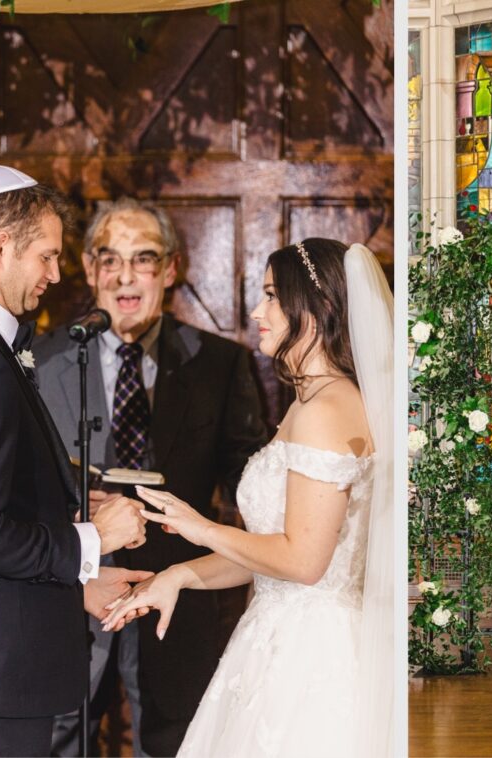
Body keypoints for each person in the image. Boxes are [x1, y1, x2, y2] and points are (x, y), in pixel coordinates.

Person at [102, 238, 394, 757]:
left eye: (271, 297)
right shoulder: (315, 401)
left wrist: (201, 528)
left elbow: (303, 562)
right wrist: (178, 576)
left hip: (309, 657)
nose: (257, 311)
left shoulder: (324, 410)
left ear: (316, 308)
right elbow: (270, 553)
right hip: (278, 633)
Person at [0, 165, 148, 756]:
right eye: (47, 256)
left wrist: (75, 585)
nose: (54, 275)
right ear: (1, 246)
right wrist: (90, 540)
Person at [35, 197, 268, 756]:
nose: (124, 277)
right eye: (108, 260)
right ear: (89, 269)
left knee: (176, 742)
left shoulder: (220, 363)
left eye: (142, 259)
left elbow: (252, 481)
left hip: (179, 592)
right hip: (71, 590)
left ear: (170, 269)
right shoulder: (40, 362)